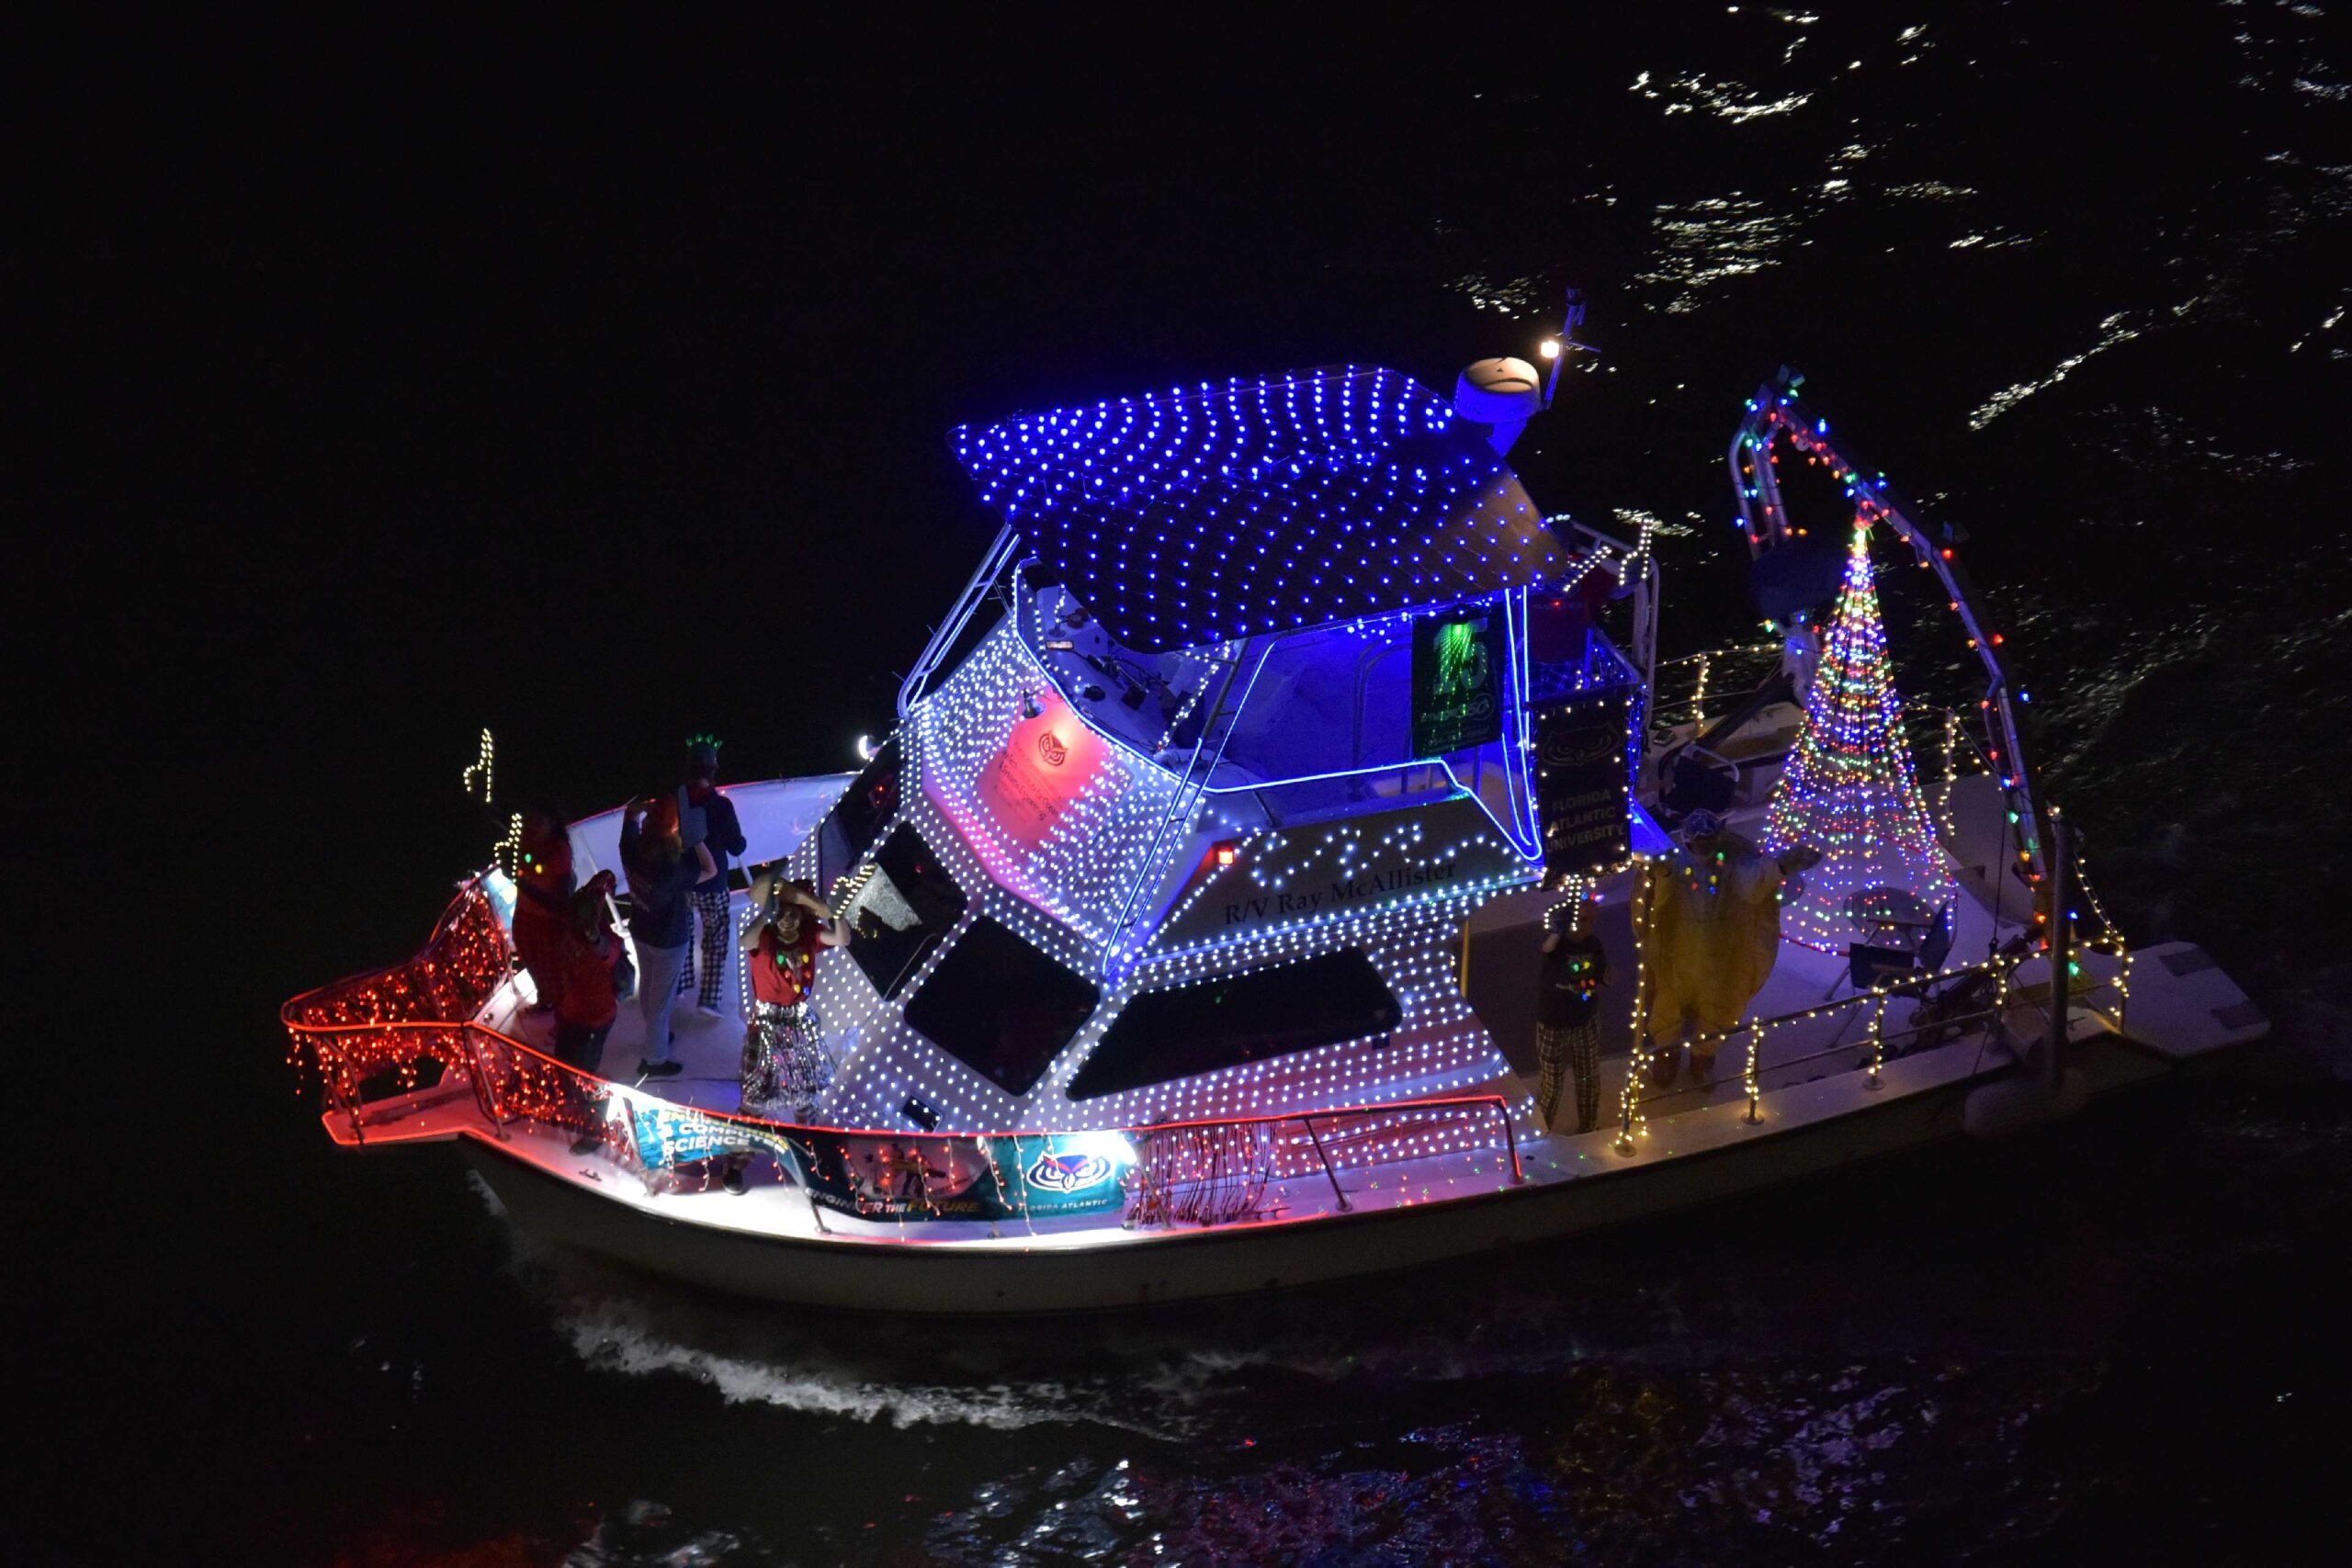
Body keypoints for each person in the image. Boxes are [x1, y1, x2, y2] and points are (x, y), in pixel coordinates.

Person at [1634, 809, 1821, 1089]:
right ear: (1687, 840)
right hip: (1676, 951)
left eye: (1709, 842)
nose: (1704, 848)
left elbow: (1753, 881)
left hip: (1721, 953)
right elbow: (1657, 885)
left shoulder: (1732, 860)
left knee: (1718, 1006)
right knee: (1666, 1004)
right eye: (1699, 843)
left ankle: (1702, 1059)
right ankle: (1666, 1054)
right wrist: (1652, 868)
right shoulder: (1674, 860)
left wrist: (1782, 865)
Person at [723, 870, 848, 1194]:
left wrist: (822, 907)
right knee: (754, 1099)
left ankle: (816, 1162)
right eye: (783, 913)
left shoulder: (811, 937)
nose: (788, 920)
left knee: (806, 1099)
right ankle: (736, 1161)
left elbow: (842, 937)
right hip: (766, 1027)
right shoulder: (763, 937)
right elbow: (744, 941)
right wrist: (766, 913)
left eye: (795, 914)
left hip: (799, 1027)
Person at [620, 793, 716, 1079]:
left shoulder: (631, 849)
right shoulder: (673, 870)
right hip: (668, 940)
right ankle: (655, 1059)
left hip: (641, 930)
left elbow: (629, 819)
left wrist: (636, 812)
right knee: (661, 1000)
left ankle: (656, 1035)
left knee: (649, 988)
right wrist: (697, 839)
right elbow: (710, 870)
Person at [547, 874, 623, 1155]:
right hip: (571, 1015)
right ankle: (578, 1107)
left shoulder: (604, 942)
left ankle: (597, 1126)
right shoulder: (568, 937)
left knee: (584, 1076)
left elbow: (610, 953)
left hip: (595, 1019)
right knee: (564, 1066)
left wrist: (594, 935)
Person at [675, 737, 748, 1020]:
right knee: (716, 937)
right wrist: (740, 841)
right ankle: (708, 998)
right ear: (712, 770)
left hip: (684, 879)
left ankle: (680, 986)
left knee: (684, 933)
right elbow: (736, 846)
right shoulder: (720, 806)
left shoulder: (678, 798)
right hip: (713, 882)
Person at [1535, 897, 1610, 1134]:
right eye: (1582, 919)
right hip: (1553, 1024)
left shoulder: (1594, 945)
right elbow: (1546, 949)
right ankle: (1542, 1131)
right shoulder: (1558, 945)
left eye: (1592, 920)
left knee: (1588, 1078)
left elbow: (1599, 974)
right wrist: (1558, 931)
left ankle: (1588, 1127)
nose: (1588, 925)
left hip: (1585, 1021)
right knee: (1552, 1084)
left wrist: (1605, 978)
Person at [510, 801, 575, 1018]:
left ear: (552, 823)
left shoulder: (559, 850)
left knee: (552, 968)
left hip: (548, 921)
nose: (533, 826)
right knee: (531, 961)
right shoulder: (525, 841)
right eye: (531, 821)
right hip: (524, 915)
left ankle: (563, 1015)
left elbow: (558, 900)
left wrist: (524, 884)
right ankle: (545, 1000)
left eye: (539, 821)